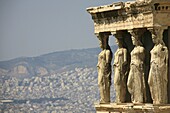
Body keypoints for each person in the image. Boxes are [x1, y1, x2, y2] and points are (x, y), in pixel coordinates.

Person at [148, 30, 168, 104]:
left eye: (154, 38)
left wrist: (161, 65)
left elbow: (165, 58)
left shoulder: (162, 47)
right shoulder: (155, 47)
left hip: (158, 66)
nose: (153, 39)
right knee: (150, 82)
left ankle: (160, 100)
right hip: (152, 65)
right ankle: (155, 99)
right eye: (152, 38)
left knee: (159, 82)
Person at [127, 36, 146, 103]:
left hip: (138, 67)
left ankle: (139, 99)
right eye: (132, 39)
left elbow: (143, 59)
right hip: (132, 67)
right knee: (129, 83)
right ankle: (134, 97)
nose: (133, 41)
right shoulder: (134, 49)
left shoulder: (141, 49)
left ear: (137, 39)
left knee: (139, 82)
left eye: (133, 39)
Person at [97, 36, 112, 103]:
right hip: (100, 68)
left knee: (104, 82)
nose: (100, 44)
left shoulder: (107, 52)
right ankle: (103, 98)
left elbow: (108, 62)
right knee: (100, 83)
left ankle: (105, 98)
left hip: (104, 69)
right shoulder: (102, 52)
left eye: (101, 42)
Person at [113, 38, 128, 103]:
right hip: (116, 67)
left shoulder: (124, 50)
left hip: (120, 68)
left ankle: (122, 98)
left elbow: (125, 61)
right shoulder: (117, 51)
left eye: (118, 41)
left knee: (120, 82)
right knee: (116, 82)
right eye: (116, 42)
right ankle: (119, 97)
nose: (117, 43)